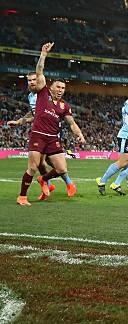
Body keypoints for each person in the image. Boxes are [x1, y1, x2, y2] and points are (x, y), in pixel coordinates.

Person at [17, 42, 86, 206]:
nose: (61, 89)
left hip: (52, 138)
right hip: (38, 135)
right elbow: (39, 71)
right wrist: (43, 54)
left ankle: (44, 179)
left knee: (62, 169)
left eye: (63, 87)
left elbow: (71, 123)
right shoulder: (43, 93)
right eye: (58, 86)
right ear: (52, 87)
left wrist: (80, 134)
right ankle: (22, 197)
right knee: (32, 167)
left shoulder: (64, 106)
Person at [9, 71, 76, 196]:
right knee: (42, 163)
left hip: (50, 133)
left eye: (35, 79)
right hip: (41, 132)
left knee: (46, 163)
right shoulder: (31, 96)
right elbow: (34, 114)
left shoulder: (43, 93)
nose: (33, 82)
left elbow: (52, 110)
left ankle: (57, 183)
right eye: (30, 80)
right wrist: (19, 122)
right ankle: (55, 184)